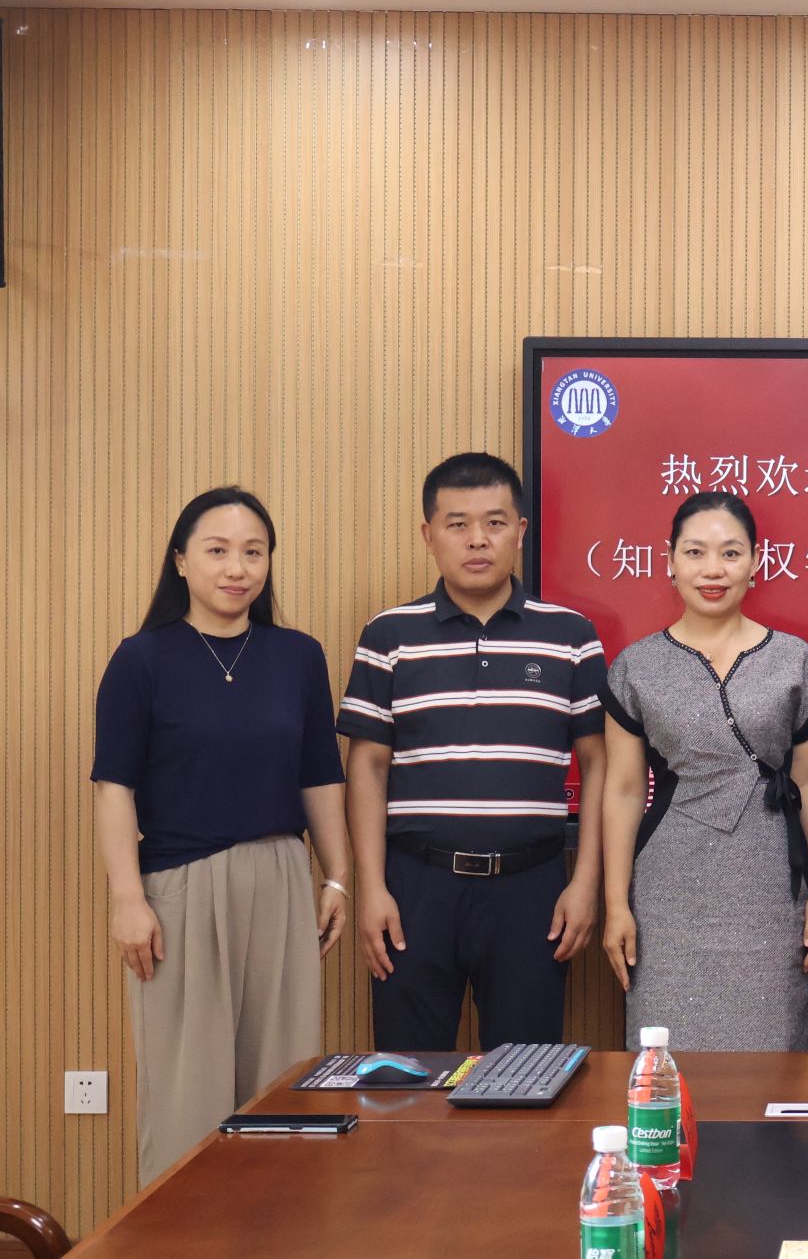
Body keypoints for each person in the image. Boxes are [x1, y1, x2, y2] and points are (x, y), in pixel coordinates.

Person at [92, 487, 352, 1181]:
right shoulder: (142, 659)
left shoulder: (298, 656)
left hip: (281, 877)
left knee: (284, 1088)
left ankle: (283, 1229)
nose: (237, 568)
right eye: (217, 550)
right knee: (188, 1092)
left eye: (253, 552)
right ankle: (182, 1232)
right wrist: (127, 899)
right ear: (181, 560)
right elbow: (114, 787)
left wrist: (336, 876)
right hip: (179, 888)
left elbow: (320, 775)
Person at [338, 452, 606, 1051]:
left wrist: (585, 882)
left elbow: (599, 765)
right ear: (429, 535)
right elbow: (367, 767)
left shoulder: (571, 636)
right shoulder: (389, 636)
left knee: (526, 1075)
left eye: (495, 522)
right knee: (407, 1076)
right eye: (457, 524)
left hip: (533, 889)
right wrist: (372, 889)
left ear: (521, 531)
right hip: (415, 888)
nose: (478, 540)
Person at [597, 491, 808, 1049]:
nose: (713, 569)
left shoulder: (795, 660)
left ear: (756, 561)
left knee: (773, 1055)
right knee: (666, 1058)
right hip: (667, 892)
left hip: (772, 887)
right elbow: (624, 791)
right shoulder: (635, 666)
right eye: (695, 552)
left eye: (730, 553)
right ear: (670, 560)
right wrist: (616, 905)